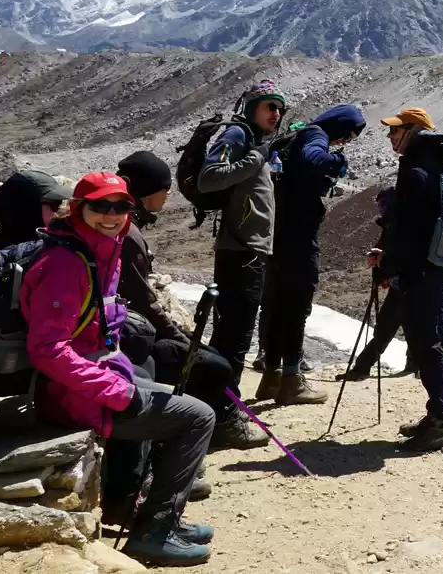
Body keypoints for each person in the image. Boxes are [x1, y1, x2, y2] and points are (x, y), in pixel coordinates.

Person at [21, 172, 215, 567]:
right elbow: (47, 349)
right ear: (78, 209)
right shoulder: (64, 263)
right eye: (100, 207)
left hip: (84, 382)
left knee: (151, 383)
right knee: (199, 417)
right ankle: (156, 531)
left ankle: (135, 509)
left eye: (121, 207)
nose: (112, 215)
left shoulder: (95, 249)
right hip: (70, 395)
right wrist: (116, 390)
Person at [115, 151, 235, 488]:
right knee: (213, 367)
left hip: (132, 329)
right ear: (147, 191)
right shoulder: (129, 234)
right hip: (133, 335)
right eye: (165, 189)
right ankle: (180, 453)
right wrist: (179, 336)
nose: (168, 196)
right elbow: (143, 299)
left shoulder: (128, 227)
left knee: (210, 361)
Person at [254, 105, 366, 405]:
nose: (345, 142)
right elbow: (312, 159)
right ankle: (292, 381)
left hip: (277, 235)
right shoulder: (316, 136)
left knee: (277, 306)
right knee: (297, 306)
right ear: (340, 127)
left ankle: (271, 379)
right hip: (298, 238)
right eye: (348, 136)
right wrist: (337, 159)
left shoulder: (297, 136)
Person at [195, 79, 283, 449]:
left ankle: (210, 409)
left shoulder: (254, 141)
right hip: (240, 251)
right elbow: (207, 179)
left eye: (279, 108)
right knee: (235, 338)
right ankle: (225, 418)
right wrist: (255, 159)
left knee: (231, 335)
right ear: (251, 108)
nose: (276, 114)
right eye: (269, 107)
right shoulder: (238, 135)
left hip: (248, 249)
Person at [368, 108, 443, 452]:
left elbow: (411, 233)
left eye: (395, 130)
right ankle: (438, 415)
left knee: (428, 344)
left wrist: (387, 262)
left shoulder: (417, 171)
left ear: (414, 131)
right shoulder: (432, 164)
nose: (390, 137)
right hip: (433, 268)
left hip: (420, 271)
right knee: (433, 341)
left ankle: (442, 423)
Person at [337, 187, 416, 381]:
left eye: (383, 205)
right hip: (411, 286)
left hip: (404, 286)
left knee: (387, 329)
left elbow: (398, 256)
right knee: (412, 327)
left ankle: (362, 368)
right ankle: (414, 367)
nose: (381, 209)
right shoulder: (402, 223)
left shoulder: (396, 226)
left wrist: (382, 268)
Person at [0, 169, 70, 291]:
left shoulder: (7, 241)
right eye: (55, 204)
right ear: (29, 208)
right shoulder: (16, 258)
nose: (60, 210)